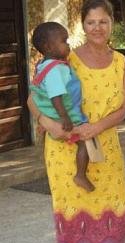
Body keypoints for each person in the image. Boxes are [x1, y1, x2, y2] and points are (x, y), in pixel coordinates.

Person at [27, 1, 125, 243]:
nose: (98, 28)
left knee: (115, 206)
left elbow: (123, 108)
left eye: (104, 21)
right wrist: (49, 124)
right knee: (74, 212)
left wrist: (96, 128)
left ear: (112, 24)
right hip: (65, 150)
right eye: (92, 22)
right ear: (83, 24)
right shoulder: (64, 57)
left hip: (104, 145)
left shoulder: (121, 61)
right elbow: (33, 98)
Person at [31, 21, 94, 192]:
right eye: (64, 41)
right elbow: (56, 96)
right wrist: (65, 117)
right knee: (85, 141)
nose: (68, 45)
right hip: (65, 115)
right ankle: (80, 174)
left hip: (58, 115)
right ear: (48, 46)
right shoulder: (54, 70)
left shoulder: (46, 65)